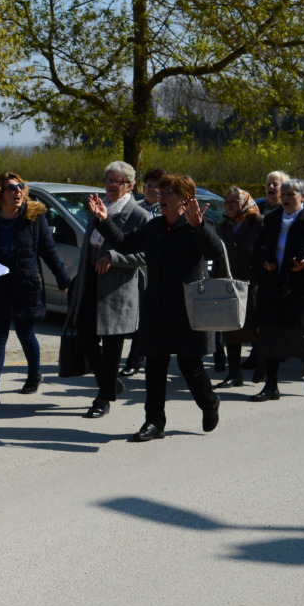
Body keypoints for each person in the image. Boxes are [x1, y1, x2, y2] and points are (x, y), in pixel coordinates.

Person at [91, 174, 223, 442]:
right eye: (160, 193)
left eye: (168, 193)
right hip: (157, 307)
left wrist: (198, 227)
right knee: (155, 367)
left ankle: (209, 403)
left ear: (185, 199)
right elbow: (125, 244)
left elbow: (214, 252)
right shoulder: (154, 227)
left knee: (190, 366)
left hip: (187, 308)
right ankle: (154, 422)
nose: (161, 197)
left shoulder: (198, 224)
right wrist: (104, 220)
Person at [0, 172, 71, 406]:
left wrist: (63, 279)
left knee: (26, 334)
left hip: (26, 284)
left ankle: (34, 374)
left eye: (20, 187)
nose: (17, 192)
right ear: (0, 193)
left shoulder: (34, 217)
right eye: (11, 188)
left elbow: (48, 250)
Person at [65, 161, 150, 419]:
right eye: (109, 180)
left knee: (113, 346)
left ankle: (103, 398)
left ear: (130, 186)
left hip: (117, 289)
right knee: (85, 338)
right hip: (90, 283)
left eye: (118, 181)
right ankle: (111, 383)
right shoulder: (98, 208)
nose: (112, 185)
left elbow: (145, 255)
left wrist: (115, 257)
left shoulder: (139, 215)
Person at [249, 178, 304, 401]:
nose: (286, 199)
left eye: (291, 195)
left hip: (301, 287)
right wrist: (264, 261)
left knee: (298, 334)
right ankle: (271, 386)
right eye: (284, 194)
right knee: (269, 333)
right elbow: (258, 247)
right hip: (273, 283)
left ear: (303, 197)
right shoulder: (272, 218)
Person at [213, 187, 263, 388]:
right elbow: (217, 255)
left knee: (256, 330)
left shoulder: (258, 223)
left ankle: (262, 366)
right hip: (229, 285)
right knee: (231, 330)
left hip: (253, 284)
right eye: (227, 202)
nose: (231, 206)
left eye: (235, 201)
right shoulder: (222, 226)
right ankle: (234, 374)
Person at [121, 167, 165, 377]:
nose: (153, 190)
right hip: (140, 269)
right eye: (149, 186)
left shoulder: (168, 212)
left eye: (158, 187)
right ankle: (134, 359)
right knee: (142, 315)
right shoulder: (136, 209)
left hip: (162, 270)